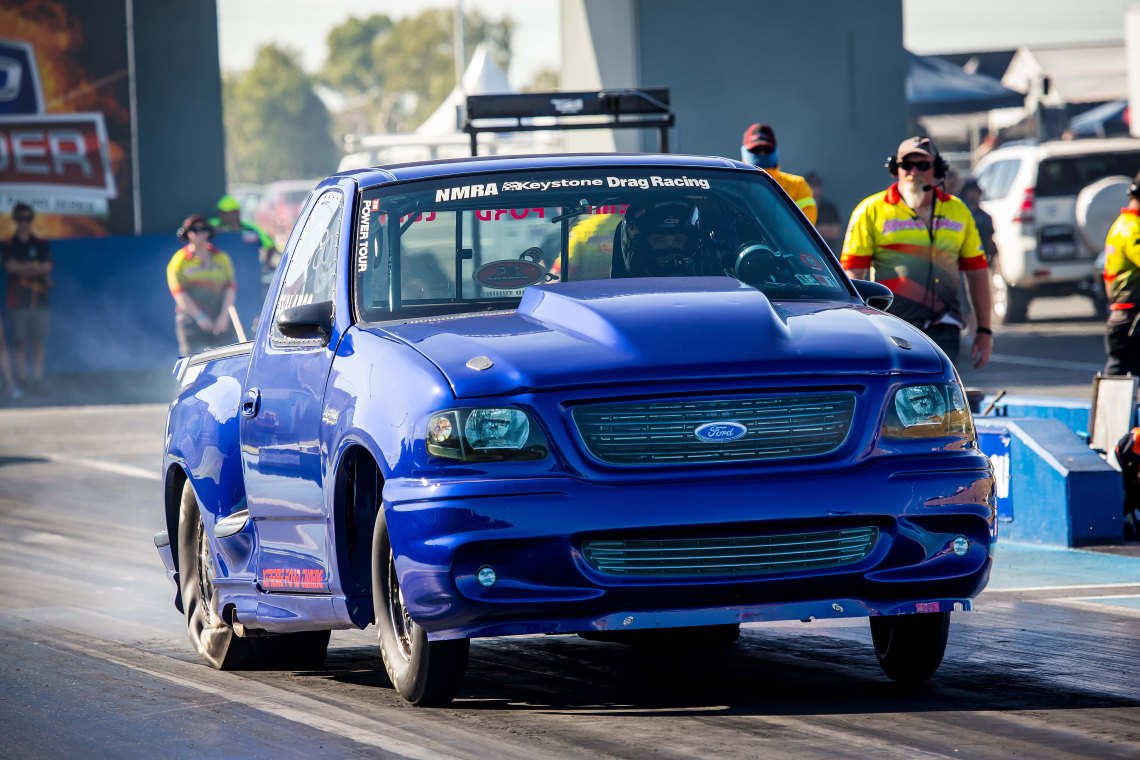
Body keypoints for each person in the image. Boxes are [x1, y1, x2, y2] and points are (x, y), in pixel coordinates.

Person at [841, 136, 993, 368]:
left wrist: (984, 331)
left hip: (945, 329)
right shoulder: (870, 211)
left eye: (922, 165)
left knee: (938, 399)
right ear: (895, 168)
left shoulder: (958, 211)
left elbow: (977, 274)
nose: (914, 172)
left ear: (937, 169)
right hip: (893, 328)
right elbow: (853, 275)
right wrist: (858, 331)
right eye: (906, 165)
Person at [166, 215, 238, 356]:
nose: (200, 233)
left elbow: (230, 288)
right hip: (191, 318)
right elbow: (179, 294)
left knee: (225, 357)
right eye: (194, 229)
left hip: (219, 315)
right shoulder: (179, 261)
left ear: (208, 232)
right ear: (187, 233)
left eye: (203, 229)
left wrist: (224, 316)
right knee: (193, 358)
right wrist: (199, 317)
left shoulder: (222, 258)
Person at [2, 202, 52, 390]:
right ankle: (22, 378)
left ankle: (38, 380)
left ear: (32, 220)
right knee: (20, 342)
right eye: (21, 218)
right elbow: (9, 267)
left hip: (39, 299)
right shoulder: (8, 244)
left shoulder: (40, 243)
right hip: (17, 300)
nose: (24, 222)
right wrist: (33, 267)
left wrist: (22, 268)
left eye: (28, 218)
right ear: (15, 220)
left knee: (38, 341)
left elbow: (47, 267)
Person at [615, 198, 726, 278]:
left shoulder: (713, 284)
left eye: (678, 240)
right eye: (660, 241)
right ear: (638, 243)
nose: (671, 249)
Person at [1101, 172, 1140, 376]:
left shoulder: (1121, 225)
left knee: (1119, 382)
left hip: (1122, 316)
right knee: (1120, 383)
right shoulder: (1134, 229)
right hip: (1132, 320)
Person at [740, 123, 818, 224]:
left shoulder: (797, 186)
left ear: (775, 150)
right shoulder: (731, 186)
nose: (762, 154)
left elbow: (804, 229)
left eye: (766, 149)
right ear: (744, 151)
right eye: (756, 150)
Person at [209, 194, 279, 295]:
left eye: (225, 212)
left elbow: (270, 246)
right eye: (220, 212)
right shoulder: (213, 224)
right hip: (221, 277)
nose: (221, 215)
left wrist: (265, 266)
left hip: (248, 276)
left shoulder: (250, 228)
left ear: (235, 213)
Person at [1113, 427, 1140, 539]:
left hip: (1133, 464)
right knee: (1126, 491)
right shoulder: (1137, 437)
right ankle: (1125, 520)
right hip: (1119, 461)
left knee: (1134, 492)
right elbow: (1124, 455)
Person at [806, 171, 843, 252]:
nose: (814, 188)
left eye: (817, 184)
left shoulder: (829, 208)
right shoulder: (799, 207)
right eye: (811, 185)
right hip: (806, 251)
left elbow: (836, 232)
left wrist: (811, 230)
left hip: (826, 254)